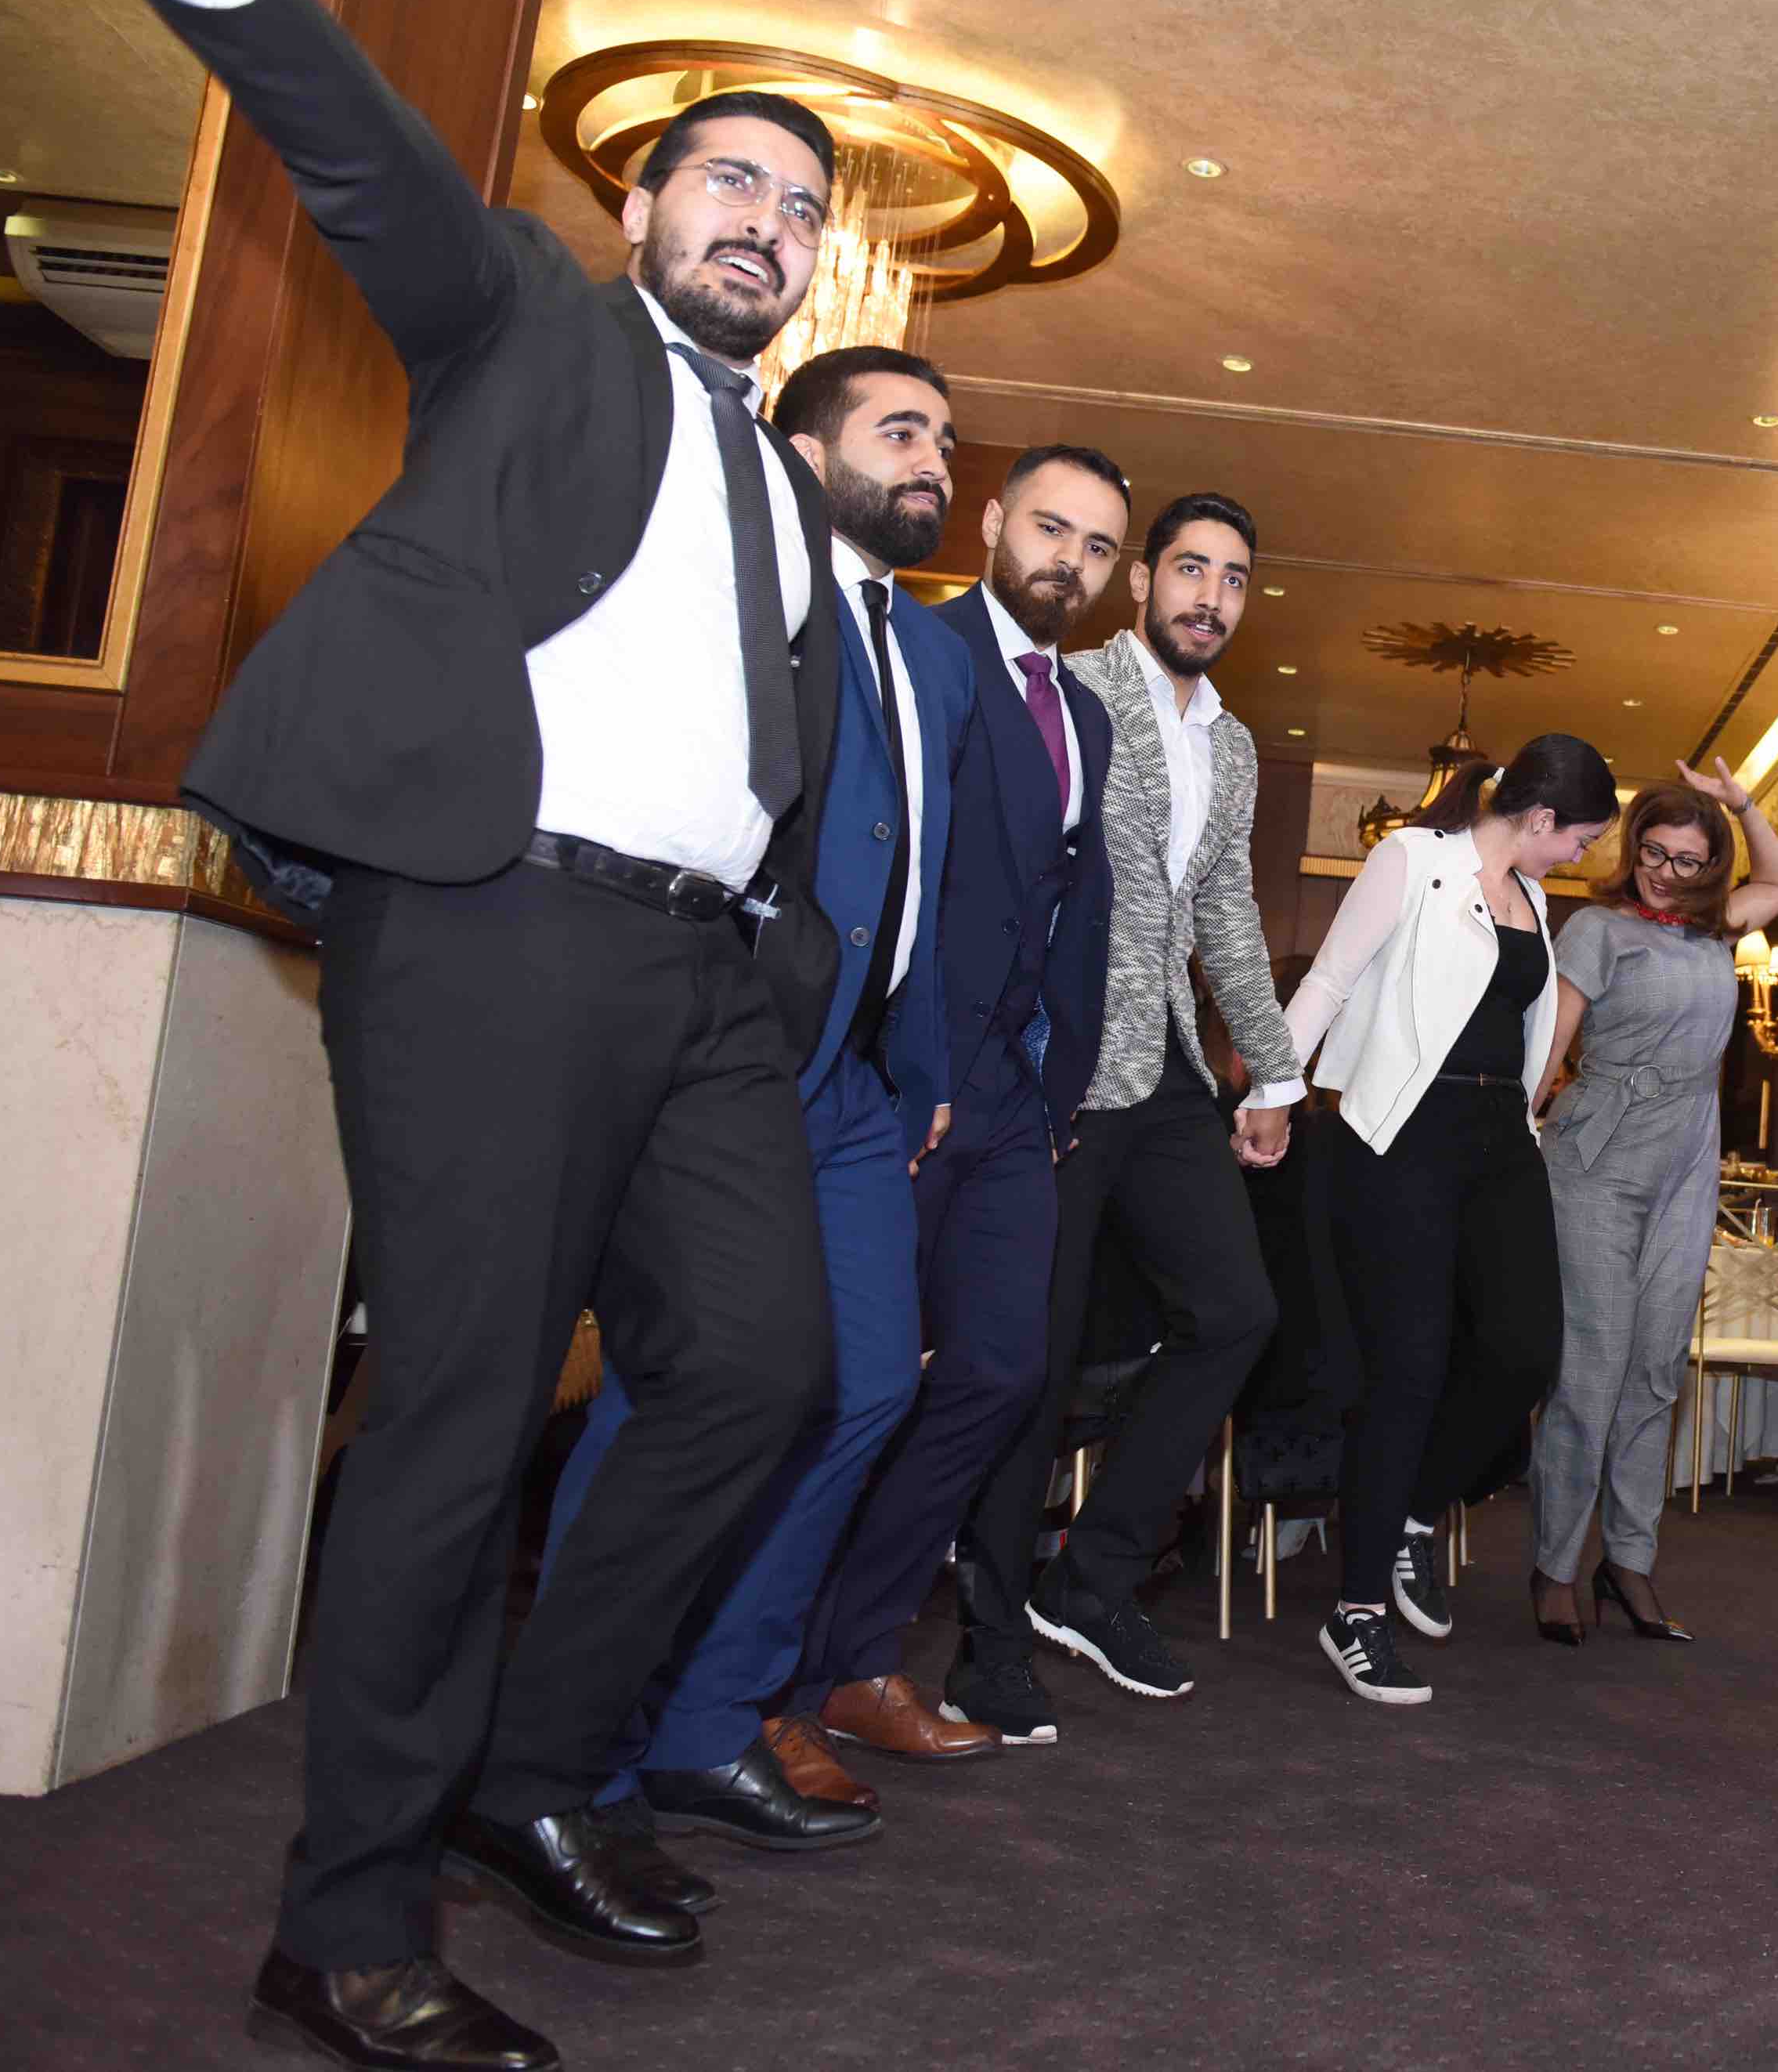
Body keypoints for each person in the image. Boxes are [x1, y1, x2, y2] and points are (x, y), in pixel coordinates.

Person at [0, 0, 846, 2061]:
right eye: (730, 184)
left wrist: (779, 964)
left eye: (801, 211)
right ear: (641, 212)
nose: (765, 224)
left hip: (698, 984)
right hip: (493, 926)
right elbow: (355, 153)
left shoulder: (787, 491)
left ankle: (526, 1771)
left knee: (764, 1362)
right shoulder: (535, 332)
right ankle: (348, 1915)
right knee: (462, 1419)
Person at [537, 347, 974, 1852]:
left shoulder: (928, 655)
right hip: (731, 1054)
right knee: (679, 1393)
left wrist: (918, 1065)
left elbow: (918, 880)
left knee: (867, 1387)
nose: (933, 462)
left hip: (855, 1080)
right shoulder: (751, 598)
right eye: (900, 431)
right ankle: (570, 1759)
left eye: (945, 440)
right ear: (803, 450)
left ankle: (711, 1721)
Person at [785, 443, 1126, 1762]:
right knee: (847, 1387)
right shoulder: (917, 653)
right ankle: (760, 1682)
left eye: (1098, 547)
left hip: (1016, 1102)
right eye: (1051, 528)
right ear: (991, 522)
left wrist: (1059, 1085)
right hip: (905, 1081)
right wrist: (909, 1060)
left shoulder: (1085, 712)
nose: (1070, 563)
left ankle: (857, 1658)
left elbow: (1068, 906)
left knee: (998, 1371)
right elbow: (895, 875)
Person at [956, 493, 1301, 1734]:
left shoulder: (1234, 742)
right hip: (1053, 1065)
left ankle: (1090, 1576)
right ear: (1144, 578)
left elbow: (1224, 915)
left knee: (1238, 1309)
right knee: (1034, 1357)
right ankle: (989, 1639)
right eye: (1191, 568)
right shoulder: (1072, 685)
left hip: (1162, 1071)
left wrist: (1273, 1074)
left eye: (1236, 578)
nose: (1212, 595)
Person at [1279, 736, 1618, 1701]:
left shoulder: (1536, 900)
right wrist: (1271, 1088)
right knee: (1408, 1370)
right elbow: (1329, 980)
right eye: (1580, 837)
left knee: (1524, 1349)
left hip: (1499, 1140)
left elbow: (1526, 1033)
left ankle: (1412, 1515)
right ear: (1541, 817)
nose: (1580, 855)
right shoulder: (1411, 859)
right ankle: (1355, 1611)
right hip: (1403, 1133)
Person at [1527, 763, 1778, 1645]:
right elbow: (1552, 1044)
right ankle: (1555, 1565)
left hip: (1687, 1160)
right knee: (1592, 1368)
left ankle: (1630, 1559)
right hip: (1598, 1154)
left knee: (1655, 1368)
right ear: (1632, 848)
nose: (1666, 873)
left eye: (1687, 859)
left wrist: (1741, 805)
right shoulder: (1597, 927)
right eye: (1653, 853)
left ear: (1709, 866)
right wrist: (1517, 1128)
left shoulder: (1717, 929)